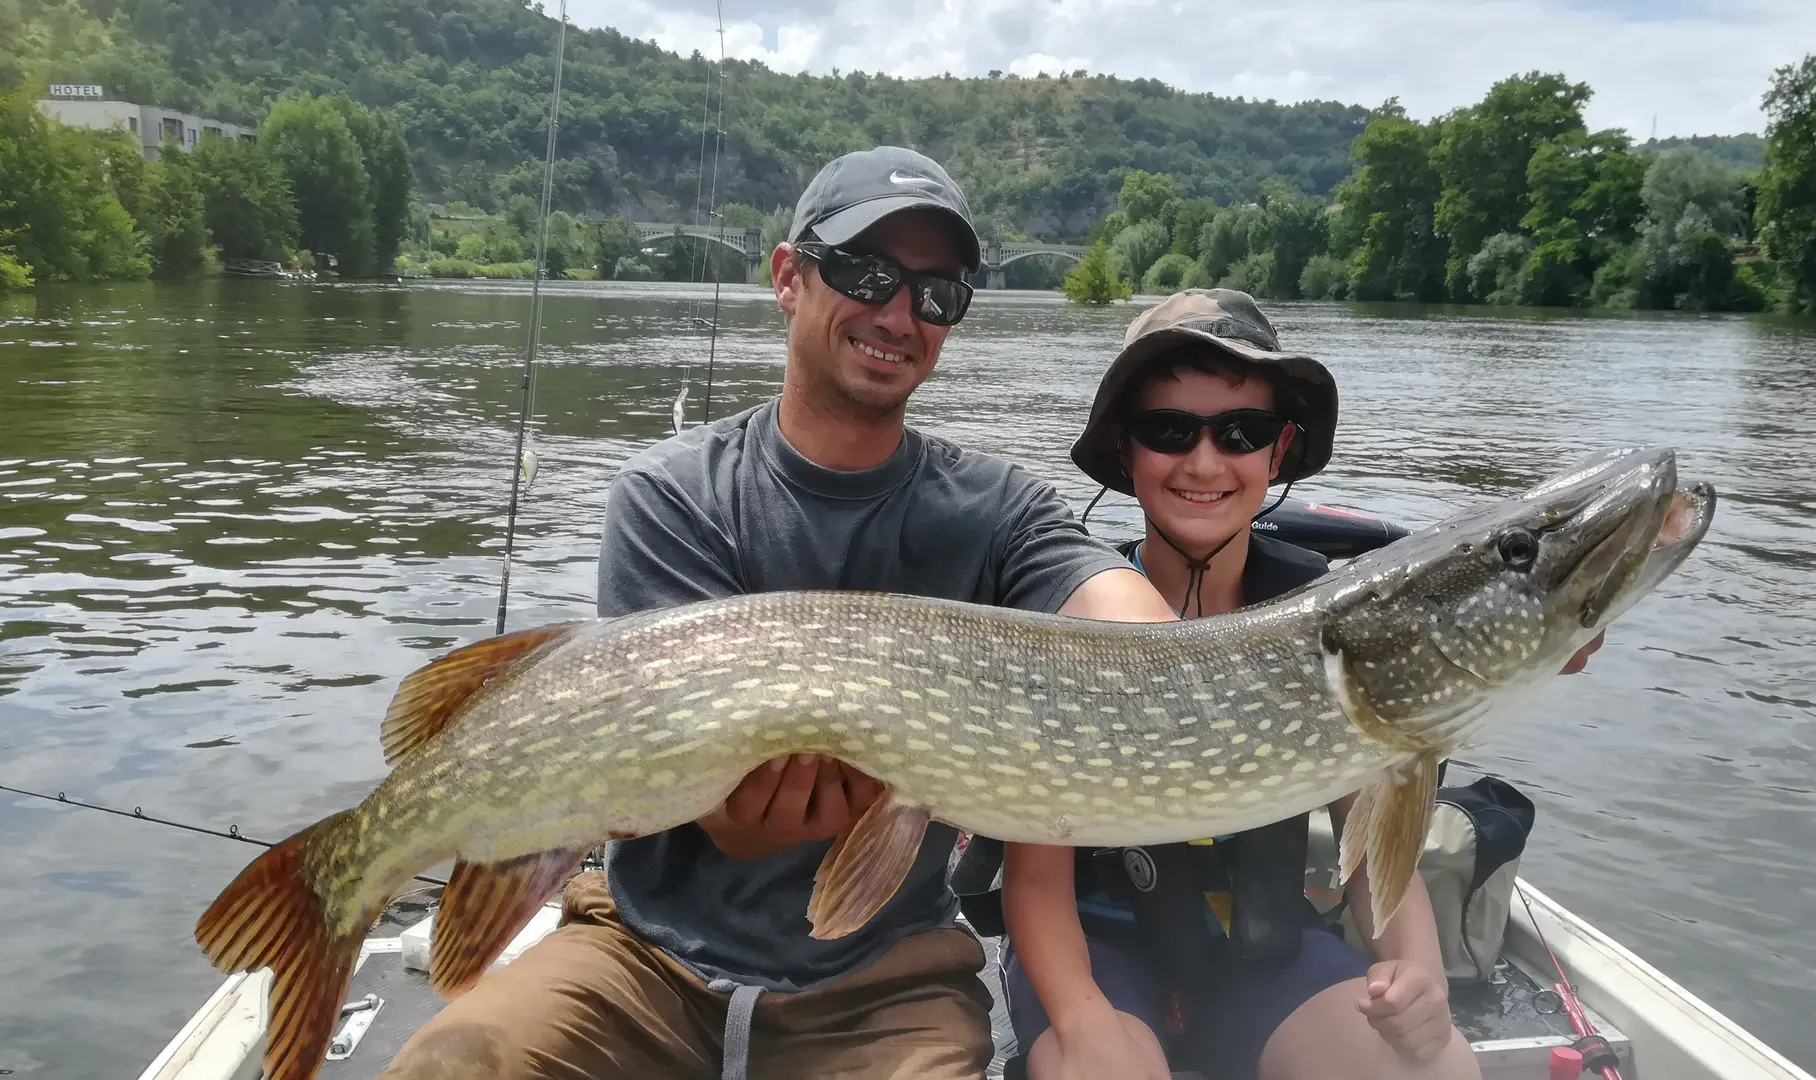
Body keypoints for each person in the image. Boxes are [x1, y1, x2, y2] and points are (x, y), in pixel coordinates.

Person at [377, 146, 1179, 1080]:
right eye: (866, 272)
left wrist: (1190, 672)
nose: (898, 313)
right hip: (644, 956)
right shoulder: (671, 496)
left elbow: (1131, 627)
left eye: (936, 293)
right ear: (788, 278)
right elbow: (731, 823)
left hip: (890, 980)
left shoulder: (999, 509)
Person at [995, 288, 1603, 1080]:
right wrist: (1080, 1022)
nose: (1206, 462)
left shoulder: (1335, 625)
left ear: (1278, 453)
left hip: (1259, 960)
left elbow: (1374, 847)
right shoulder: (1077, 610)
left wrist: (1417, 969)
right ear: (1125, 449)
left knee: (1436, 1068)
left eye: (1240, 433)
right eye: (1169, 431)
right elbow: (1034, 877)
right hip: (1097, 955)